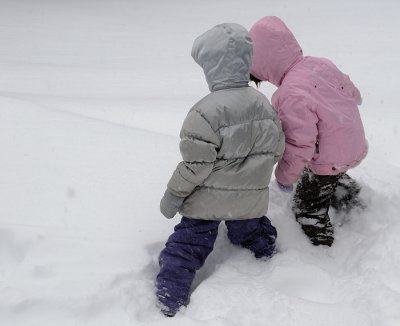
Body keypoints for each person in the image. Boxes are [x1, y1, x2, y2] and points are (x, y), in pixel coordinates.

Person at [156, 23, 285, 317]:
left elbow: (195, 166)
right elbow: (277, 148)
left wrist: (173, 196)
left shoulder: (205, 112)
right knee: (252, 230)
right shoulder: (263, 105)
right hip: (250, 202)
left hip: (207, 205)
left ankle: (169, 298)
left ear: (212, 67)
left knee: (186, 248)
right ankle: (269, 260)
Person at [249, 16, 368, 247]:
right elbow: (347, 85)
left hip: (333, 156)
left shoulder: (290, 94)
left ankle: (321, 245)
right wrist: (355, 97)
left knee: (308, 202)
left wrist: (284, 177)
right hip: (353, 140)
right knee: (329, 172)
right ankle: (349, 196)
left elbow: (298, 144)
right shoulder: (318, 63)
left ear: (264, 65)